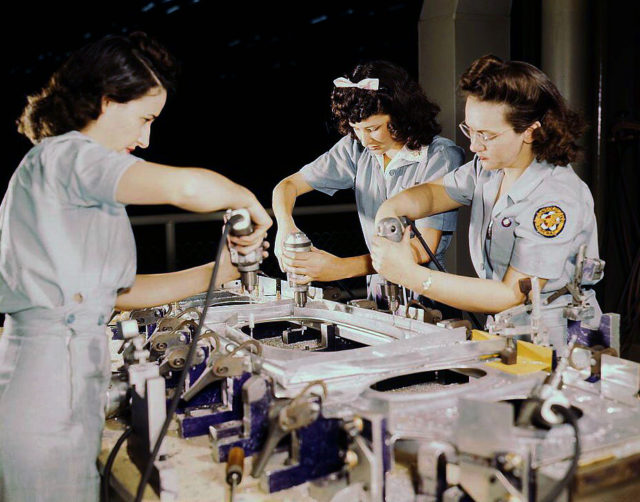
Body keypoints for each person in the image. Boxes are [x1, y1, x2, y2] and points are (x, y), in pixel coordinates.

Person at [0, 32, 272, 502]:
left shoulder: (84, 186)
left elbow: (121, 293)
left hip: (70, 371)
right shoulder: (66, 157)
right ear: (107, 102)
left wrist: (221, 270)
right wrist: (244, 197)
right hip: (45, 379)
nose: (146, 138)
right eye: (145, 118)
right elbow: (185, 189)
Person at [371, 54, 602, 347]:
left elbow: (510, 294)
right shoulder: (489, 169)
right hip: (509, 328)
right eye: (470, 129)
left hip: (557, 338)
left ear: (531, 131)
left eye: (487, 135)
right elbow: (430, 194)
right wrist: (390, 210)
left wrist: (411, 275)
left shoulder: (555, 199)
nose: (473, 145)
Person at [272, 60, 463, 309]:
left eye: (374, 128)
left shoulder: (441, 157)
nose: (365, 139)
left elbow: (421, 250)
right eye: (356, 128)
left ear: (402, 115)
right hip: (377, 295)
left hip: (427, 294)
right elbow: (287, 186)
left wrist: (339, 268)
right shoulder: (356, 148)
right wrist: (285, 227)